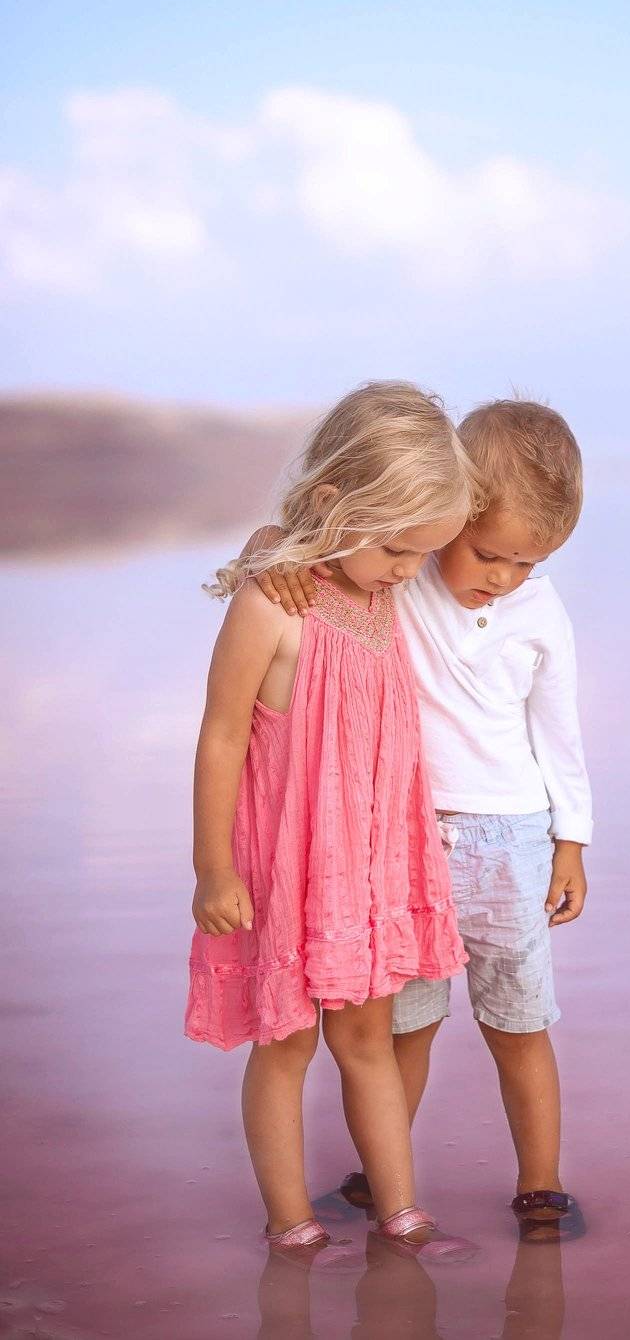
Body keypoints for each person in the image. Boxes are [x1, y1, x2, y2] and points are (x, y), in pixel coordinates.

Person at [247, 398, 591, 1239]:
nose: (501, 577)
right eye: (488, 553)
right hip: (400, 842)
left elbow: (559, 730)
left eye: (527, 562)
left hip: (511, 840)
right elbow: (322, 545)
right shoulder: (406, 576)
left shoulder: (539, 612)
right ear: (452, 518)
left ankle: (540, 1184)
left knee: (518, 1023)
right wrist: (266, 551)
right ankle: (382, 1174)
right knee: (406, 1026)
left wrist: (571, 840)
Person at [186, 380, 482, 1261]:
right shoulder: (273, 606)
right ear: (331, 504)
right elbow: (221, 735)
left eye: (422, 553)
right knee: (283, 1045)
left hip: (370, 868)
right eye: (396, 548)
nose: (407, 569)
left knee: (366, 1040)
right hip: (282, 868)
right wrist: (212, 869)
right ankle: (291, 1223)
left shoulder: (382, 592)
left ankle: (401, 1210)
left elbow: (357, 543)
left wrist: (282, 539)